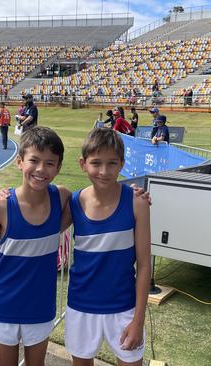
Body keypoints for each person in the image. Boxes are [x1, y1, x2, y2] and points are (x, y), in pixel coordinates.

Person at [0, 126, 71, 366]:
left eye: (50, 163)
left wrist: (132, 194)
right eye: (34, 160)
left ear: (58, 167)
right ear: (19, 162)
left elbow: (96, 199)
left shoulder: (62, 197)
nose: (41, 169)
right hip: (3, 306)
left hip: (39, 308)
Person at [66, 128, 151, 366]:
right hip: (81, 306)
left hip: (124, 308)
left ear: (122, 164)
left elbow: (144, 265)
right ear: (83, 164)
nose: (104, 171)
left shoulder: (137, 203)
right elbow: (38, 214)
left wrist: (138, 320)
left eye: (112, 163)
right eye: (96, 163)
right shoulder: (74, 201)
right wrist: (6, 196)